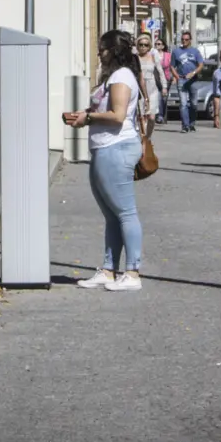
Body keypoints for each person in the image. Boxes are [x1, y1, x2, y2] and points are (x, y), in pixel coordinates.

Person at [62, 30, 145, 292]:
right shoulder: (112, 77)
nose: (99, 53)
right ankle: (109, 270)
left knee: (125, 213)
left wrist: (88, 118)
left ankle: (132, 272)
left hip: (116, 148)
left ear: (114, 51)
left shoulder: (121, 77)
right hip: (105, 149)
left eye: (103, 49)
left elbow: (118, 115)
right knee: (112, 216)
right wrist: (83, 115)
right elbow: (104, 111)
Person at [170, 31, 204, 133]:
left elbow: (201, 65)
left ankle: (192, 123)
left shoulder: (195, 51)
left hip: (193, 80)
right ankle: (185, 125)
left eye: (186, 39)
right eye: (183, 39)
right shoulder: (176, 52)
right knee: (183, 104)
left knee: (193, 104)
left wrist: (193, 73)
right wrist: (176, 76)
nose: (184, 41)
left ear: (190, 40)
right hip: (182, 79)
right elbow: (172, 66)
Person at [136, 34, 165, 139]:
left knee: (152, 117)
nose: (143, 47)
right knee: (142, 116)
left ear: (149, 46)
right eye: (141, 44)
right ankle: (142, 138)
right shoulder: (135, 58)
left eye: (146, 45)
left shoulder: (153, 56)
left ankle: (148, 137)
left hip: (152, 89)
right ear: (137, 46)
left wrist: (164, 86)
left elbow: (160, 71)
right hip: (139, 90)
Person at [154, 38, 171, 123]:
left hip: (166, 78)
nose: (157, 45)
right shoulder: (153, 54)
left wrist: (174, 77)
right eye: (156, 44)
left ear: (163, 46)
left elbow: (171, 66)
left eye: (159, 44)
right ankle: (159, 116)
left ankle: (163, 115)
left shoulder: (168, 55)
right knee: (158, 97)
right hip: (156, 79)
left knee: (164, 98)